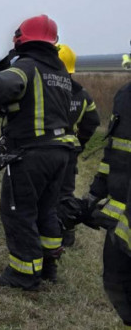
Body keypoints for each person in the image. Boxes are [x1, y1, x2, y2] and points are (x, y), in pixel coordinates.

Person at [0, 14, 75, 290]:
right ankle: (48, 267)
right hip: (60, 153)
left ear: (22, 38)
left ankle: (24, 273)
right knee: (46, 209)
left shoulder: (25, 67)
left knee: (17, 210)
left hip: (31, 153)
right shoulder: (60, 73)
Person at [90, 52, 131, 330]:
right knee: (117, 282)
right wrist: (97, 190)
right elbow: (114, 152)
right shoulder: (125, 96)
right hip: (121, 217)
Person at [56, 43, 100, 248]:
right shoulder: (82, 94)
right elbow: (92, 121)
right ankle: (67, 233)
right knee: (65, 194)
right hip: (70, 151)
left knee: (42, 192)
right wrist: (79, 143)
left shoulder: (49, 90)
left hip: (45, 149)